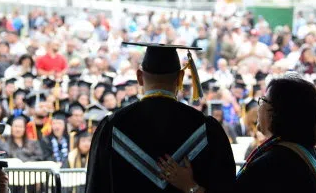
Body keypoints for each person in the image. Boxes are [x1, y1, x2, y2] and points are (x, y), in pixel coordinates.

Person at [86, 42, 236, 193]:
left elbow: (96, 186)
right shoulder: (206, 128)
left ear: (139, 77)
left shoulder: (112, 126)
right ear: (180, 78)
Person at [159, 74, 316, 193]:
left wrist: (190, 186)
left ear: (277, 112)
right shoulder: (310, 154)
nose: (259, 107)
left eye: (263, 100)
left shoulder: (275, 162)